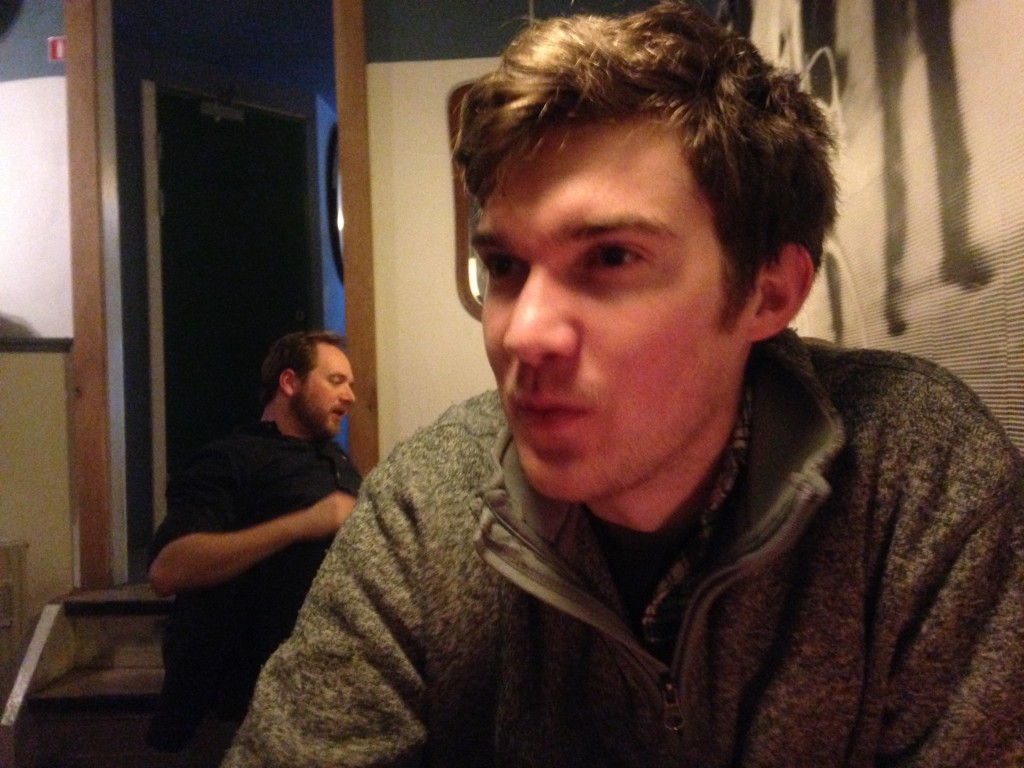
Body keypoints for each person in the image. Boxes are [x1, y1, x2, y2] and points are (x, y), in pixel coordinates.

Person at [223, 4, 1024, 766]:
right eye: (504, 266)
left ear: (769, 293)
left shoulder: (916, 477)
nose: (522, 332)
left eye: (611, 258)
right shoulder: (425, 506)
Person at [145, 330, 362, 753]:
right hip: (243, 711)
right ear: (289, 382)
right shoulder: (231, 459)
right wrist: (304, 524)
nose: (350, 396)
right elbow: (168, 569)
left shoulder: (338, 462)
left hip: (327, 701)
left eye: (351, 384)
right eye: (336, 381)